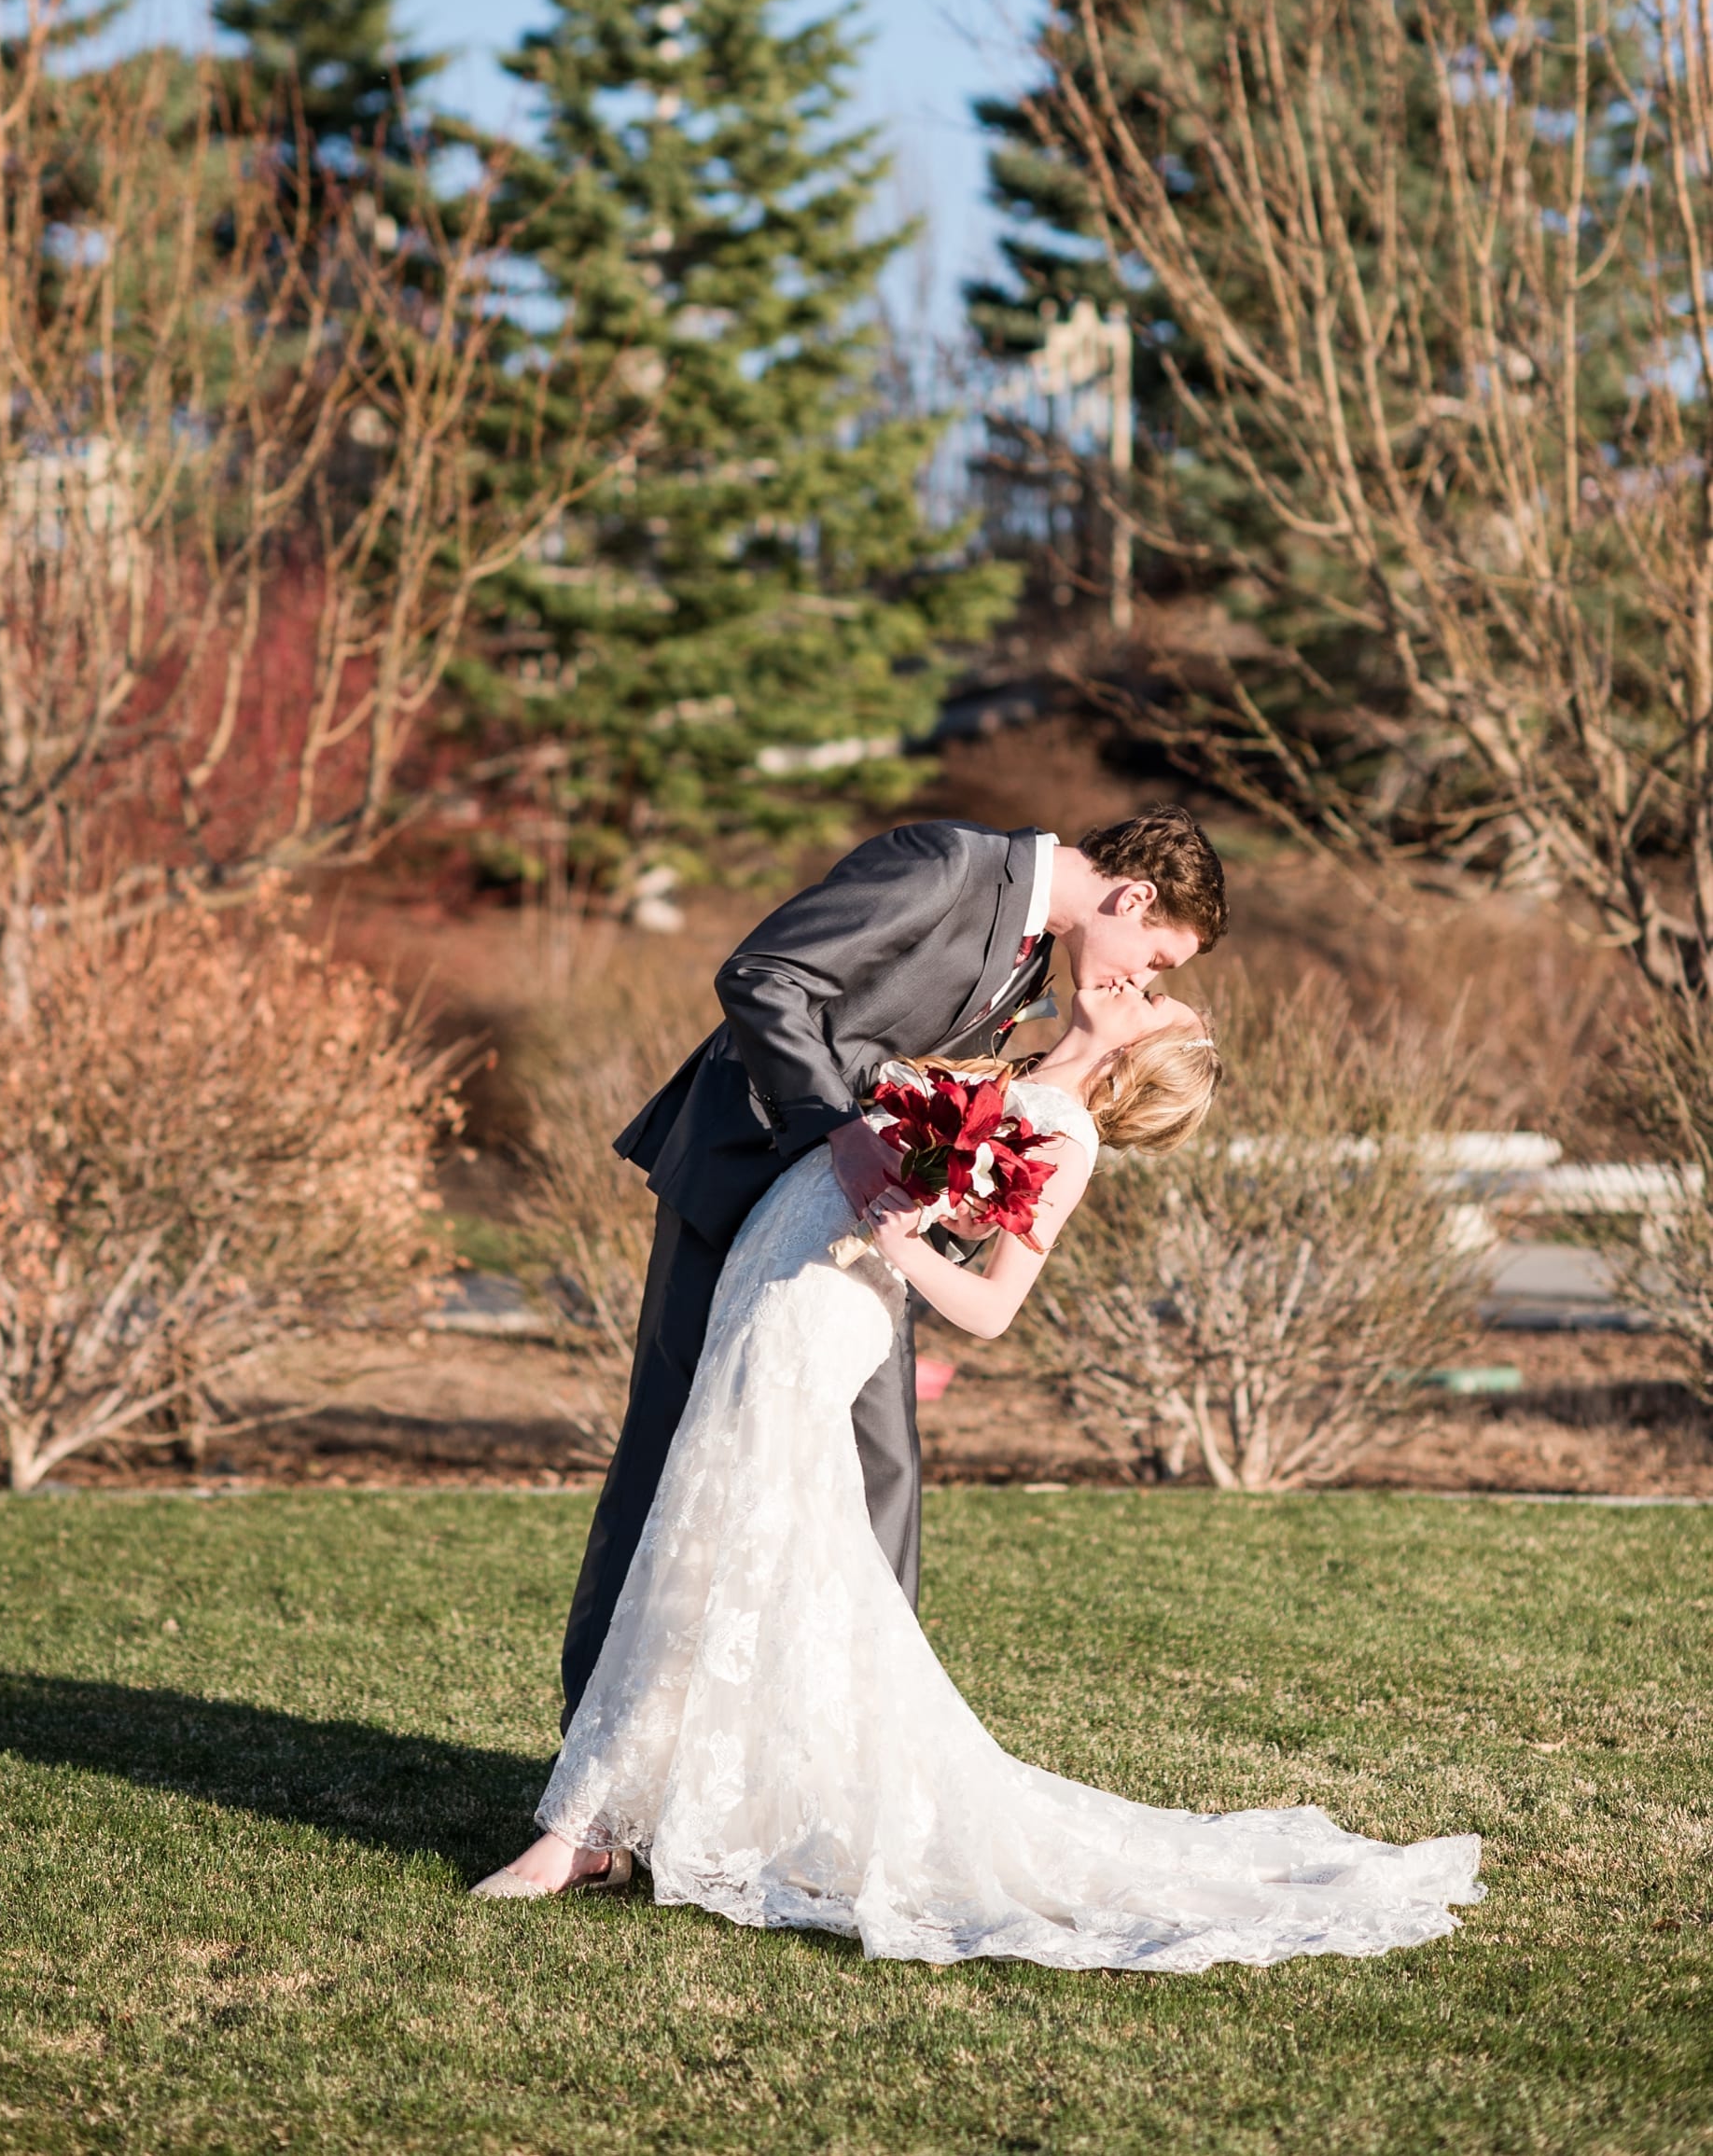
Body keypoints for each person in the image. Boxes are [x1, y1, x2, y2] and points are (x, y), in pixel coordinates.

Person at [473, 981, 1483, 1970]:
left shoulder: (1069, 1135)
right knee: (710, 1521)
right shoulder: (1015, 1045)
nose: (1139, 982)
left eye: (1154, 1000)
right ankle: (671, 1803)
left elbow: (993, 1308)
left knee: (715, 1521)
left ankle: (583, 1832)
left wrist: (901, 1243)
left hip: (830, 1297)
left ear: (1134, 1058)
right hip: (773, 1253)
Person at [555, 806, 1228, 1729]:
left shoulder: (1044, 964)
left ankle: (853, 1750)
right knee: (670, 1454)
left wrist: (933, 1202)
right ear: (1134, 894)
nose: (1138, 976)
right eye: (1156, 960)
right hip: (743, 1170)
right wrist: (841, 1132)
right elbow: (765, 977)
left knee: (884, 1472)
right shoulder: (948, 865)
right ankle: (595, 1755)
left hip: (862, 1239)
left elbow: (925, 1074)